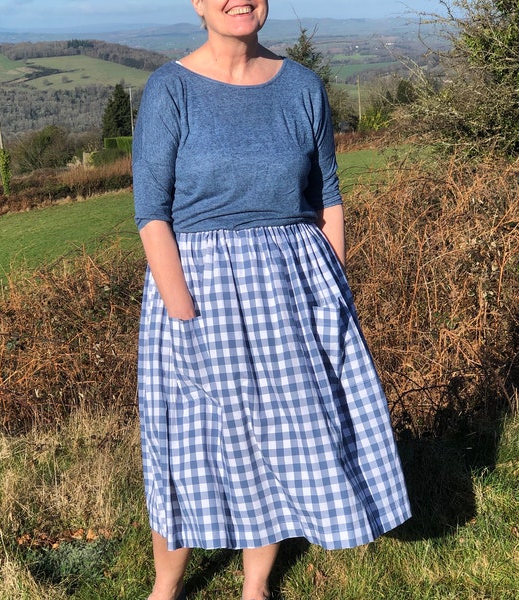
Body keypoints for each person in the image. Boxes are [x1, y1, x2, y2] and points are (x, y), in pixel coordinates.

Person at [132, 1, 411, 599]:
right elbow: (151, 213)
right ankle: (167, 584)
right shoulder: (170, 90)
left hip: (294, 284)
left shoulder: (302, 85)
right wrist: (182, 310)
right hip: (199, 286)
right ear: (198, 4)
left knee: (280, 432)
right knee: (186, 444)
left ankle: (255, 584)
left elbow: (326, 194)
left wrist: (332, 286)